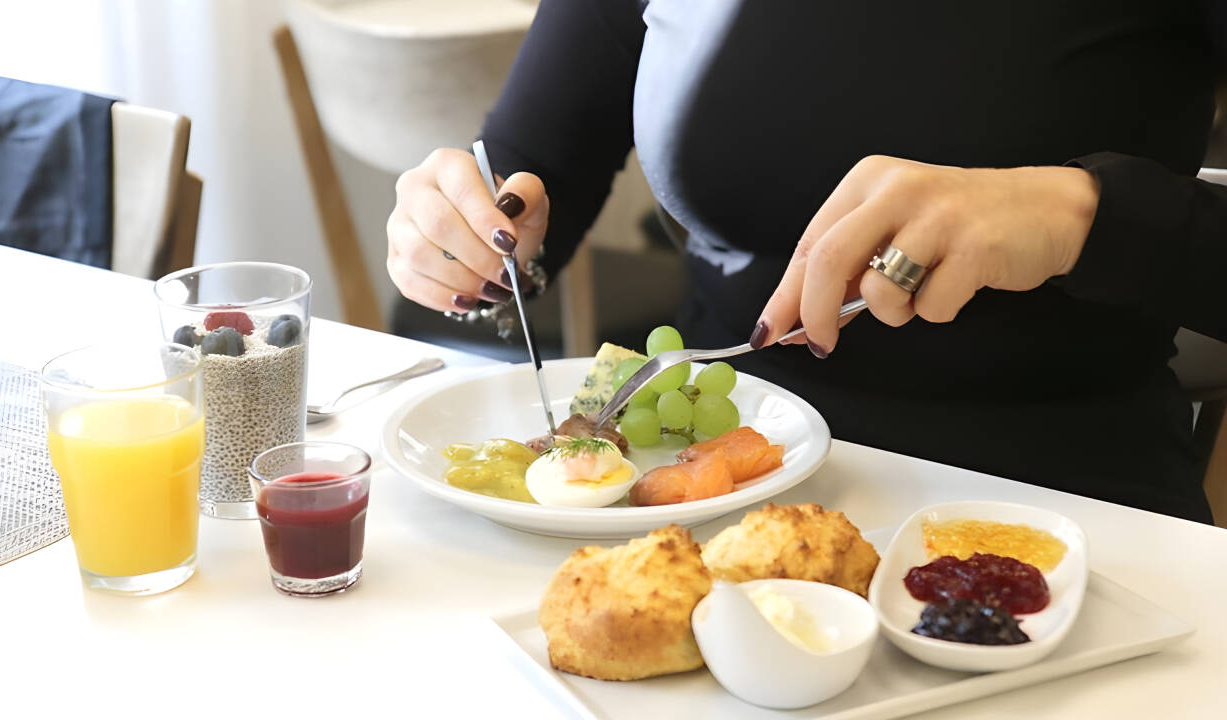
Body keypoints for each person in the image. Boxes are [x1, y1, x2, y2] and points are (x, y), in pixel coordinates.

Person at [385, 1, 1227, 523]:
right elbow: (534, 176)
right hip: (689, 488)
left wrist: (1083, 214)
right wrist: (458, 238)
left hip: (1057, 512)